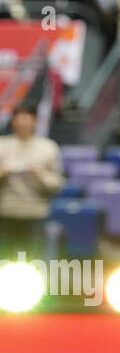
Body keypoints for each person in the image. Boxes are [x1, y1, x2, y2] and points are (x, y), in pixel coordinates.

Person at [0, 105, 65, 261]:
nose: (23, 123)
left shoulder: (48, 147)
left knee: (35, 261)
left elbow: (57, 183)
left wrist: (40, 175)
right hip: (5, 213)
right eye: (19, 118)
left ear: (35, 121)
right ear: (13, 121)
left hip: (36, 213)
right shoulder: (2, 145)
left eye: (27, 118)